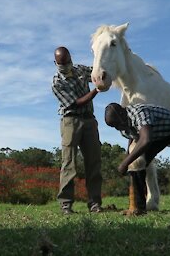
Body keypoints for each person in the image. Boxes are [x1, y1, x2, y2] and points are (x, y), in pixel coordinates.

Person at [51, 46, 103, 214]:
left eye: (67, 62)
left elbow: (95, 73)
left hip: (89, 119)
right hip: (70, 121)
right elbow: (76, 102)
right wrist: (97, 90)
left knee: (93, 161)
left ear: (71, 59)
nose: (65, 66)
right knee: (69, 162)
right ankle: (66, 204)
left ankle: (95, 203)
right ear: (56, 63)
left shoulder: (79, 69)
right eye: (61, 64)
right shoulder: (57, 83)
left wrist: (103, 73)